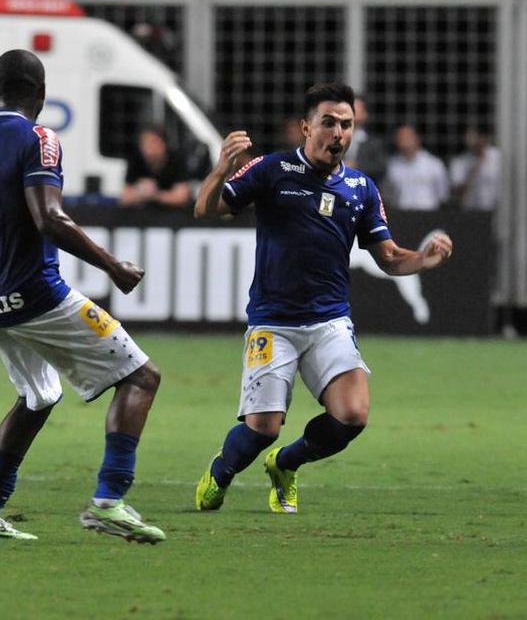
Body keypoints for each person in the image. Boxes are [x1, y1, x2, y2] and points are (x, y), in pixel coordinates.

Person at [0, 49, 165, 543]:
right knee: (142, 377)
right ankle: (109, 501)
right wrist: (113, 266)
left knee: (38, 397)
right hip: (36, 295)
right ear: (40, 94)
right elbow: (50, 218)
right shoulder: (39, 137)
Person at [191, 82, 452, 513]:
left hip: (329, 321)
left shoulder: (361, 188)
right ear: (305, 127)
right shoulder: (271, 170)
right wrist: (221, 169)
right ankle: (221, 472)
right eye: (328, 123)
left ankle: (286, 465)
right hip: (273, 321)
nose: (338, 133)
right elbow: (205, 209)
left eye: (346, 125)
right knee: (262, 429)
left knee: (353, 414)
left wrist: (422, 261)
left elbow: (388, 258)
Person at [118, 124, 190, 209]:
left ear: (163, 144)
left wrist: (155, 194)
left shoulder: (176, 160)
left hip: (172, 215)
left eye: (152, 142)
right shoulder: (136, 160)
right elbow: (124, 198)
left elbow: (182, 197)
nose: (148, 148)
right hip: (143, 216)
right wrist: (140, 192)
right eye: (144, 143)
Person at [385, 124, 449, 210]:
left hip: (429, 214)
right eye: (401, 138)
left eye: (408, 137)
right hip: (401, 215)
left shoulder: (434, 164)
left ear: (418, 139)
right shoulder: (391, 165)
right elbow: (387, 194)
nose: (405, 141)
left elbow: (442, 194)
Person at [449, 127, 501, 211]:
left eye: (476, 138)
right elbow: (457, 192)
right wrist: (472, 172)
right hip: (471, 210)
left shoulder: (498, 157)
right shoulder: (460, 162)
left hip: (496, 209)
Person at [344, 96, 388, 182]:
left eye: (357, 109)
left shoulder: (374, 142)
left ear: (365, 114)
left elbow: (381, 168)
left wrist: (356, 166)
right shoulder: (334, 137)